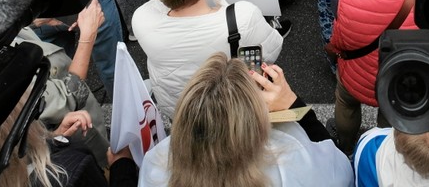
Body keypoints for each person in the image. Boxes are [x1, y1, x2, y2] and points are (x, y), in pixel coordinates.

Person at [140, 53, 352, 187]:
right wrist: (294, 104)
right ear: (255, 126)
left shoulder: (154, 165)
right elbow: (338, 163)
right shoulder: (300, 162)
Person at [133, 0, 283, 119]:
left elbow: (160, 3)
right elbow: (272, 49)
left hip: (182, 112)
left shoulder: (142, 19)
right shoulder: (242, 17)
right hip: (230, 111)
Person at [327, 0, 423, 151]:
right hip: (396, 81)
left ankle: (346, 146)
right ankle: (381, 153)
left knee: (345, 103)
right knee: (389, 119)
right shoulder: (422, 2)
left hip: (354, 72)